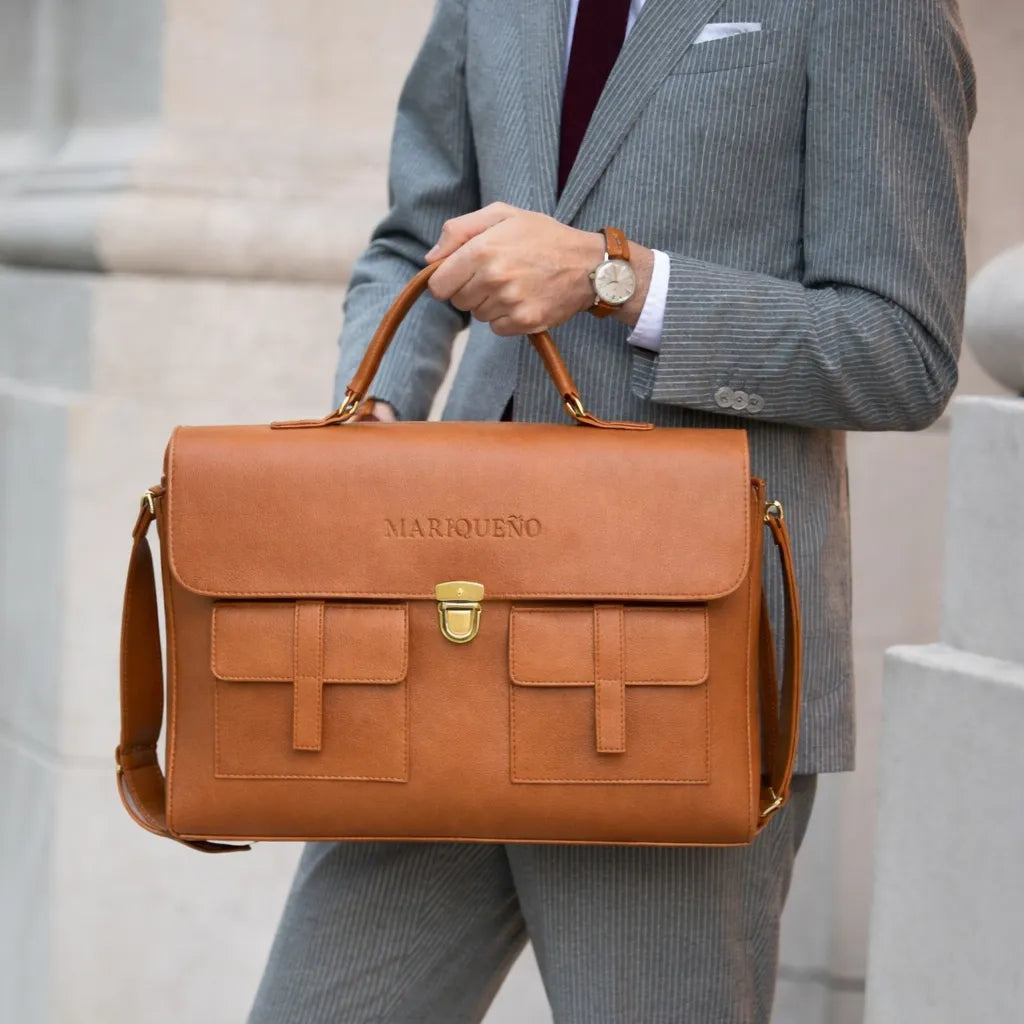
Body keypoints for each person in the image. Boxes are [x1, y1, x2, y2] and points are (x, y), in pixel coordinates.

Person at [250, 1, 975, 1020]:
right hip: (440, 641)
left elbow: (901, 351)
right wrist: (374, 404)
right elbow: (413, 237)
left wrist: (615, 279)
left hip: (679, 674)